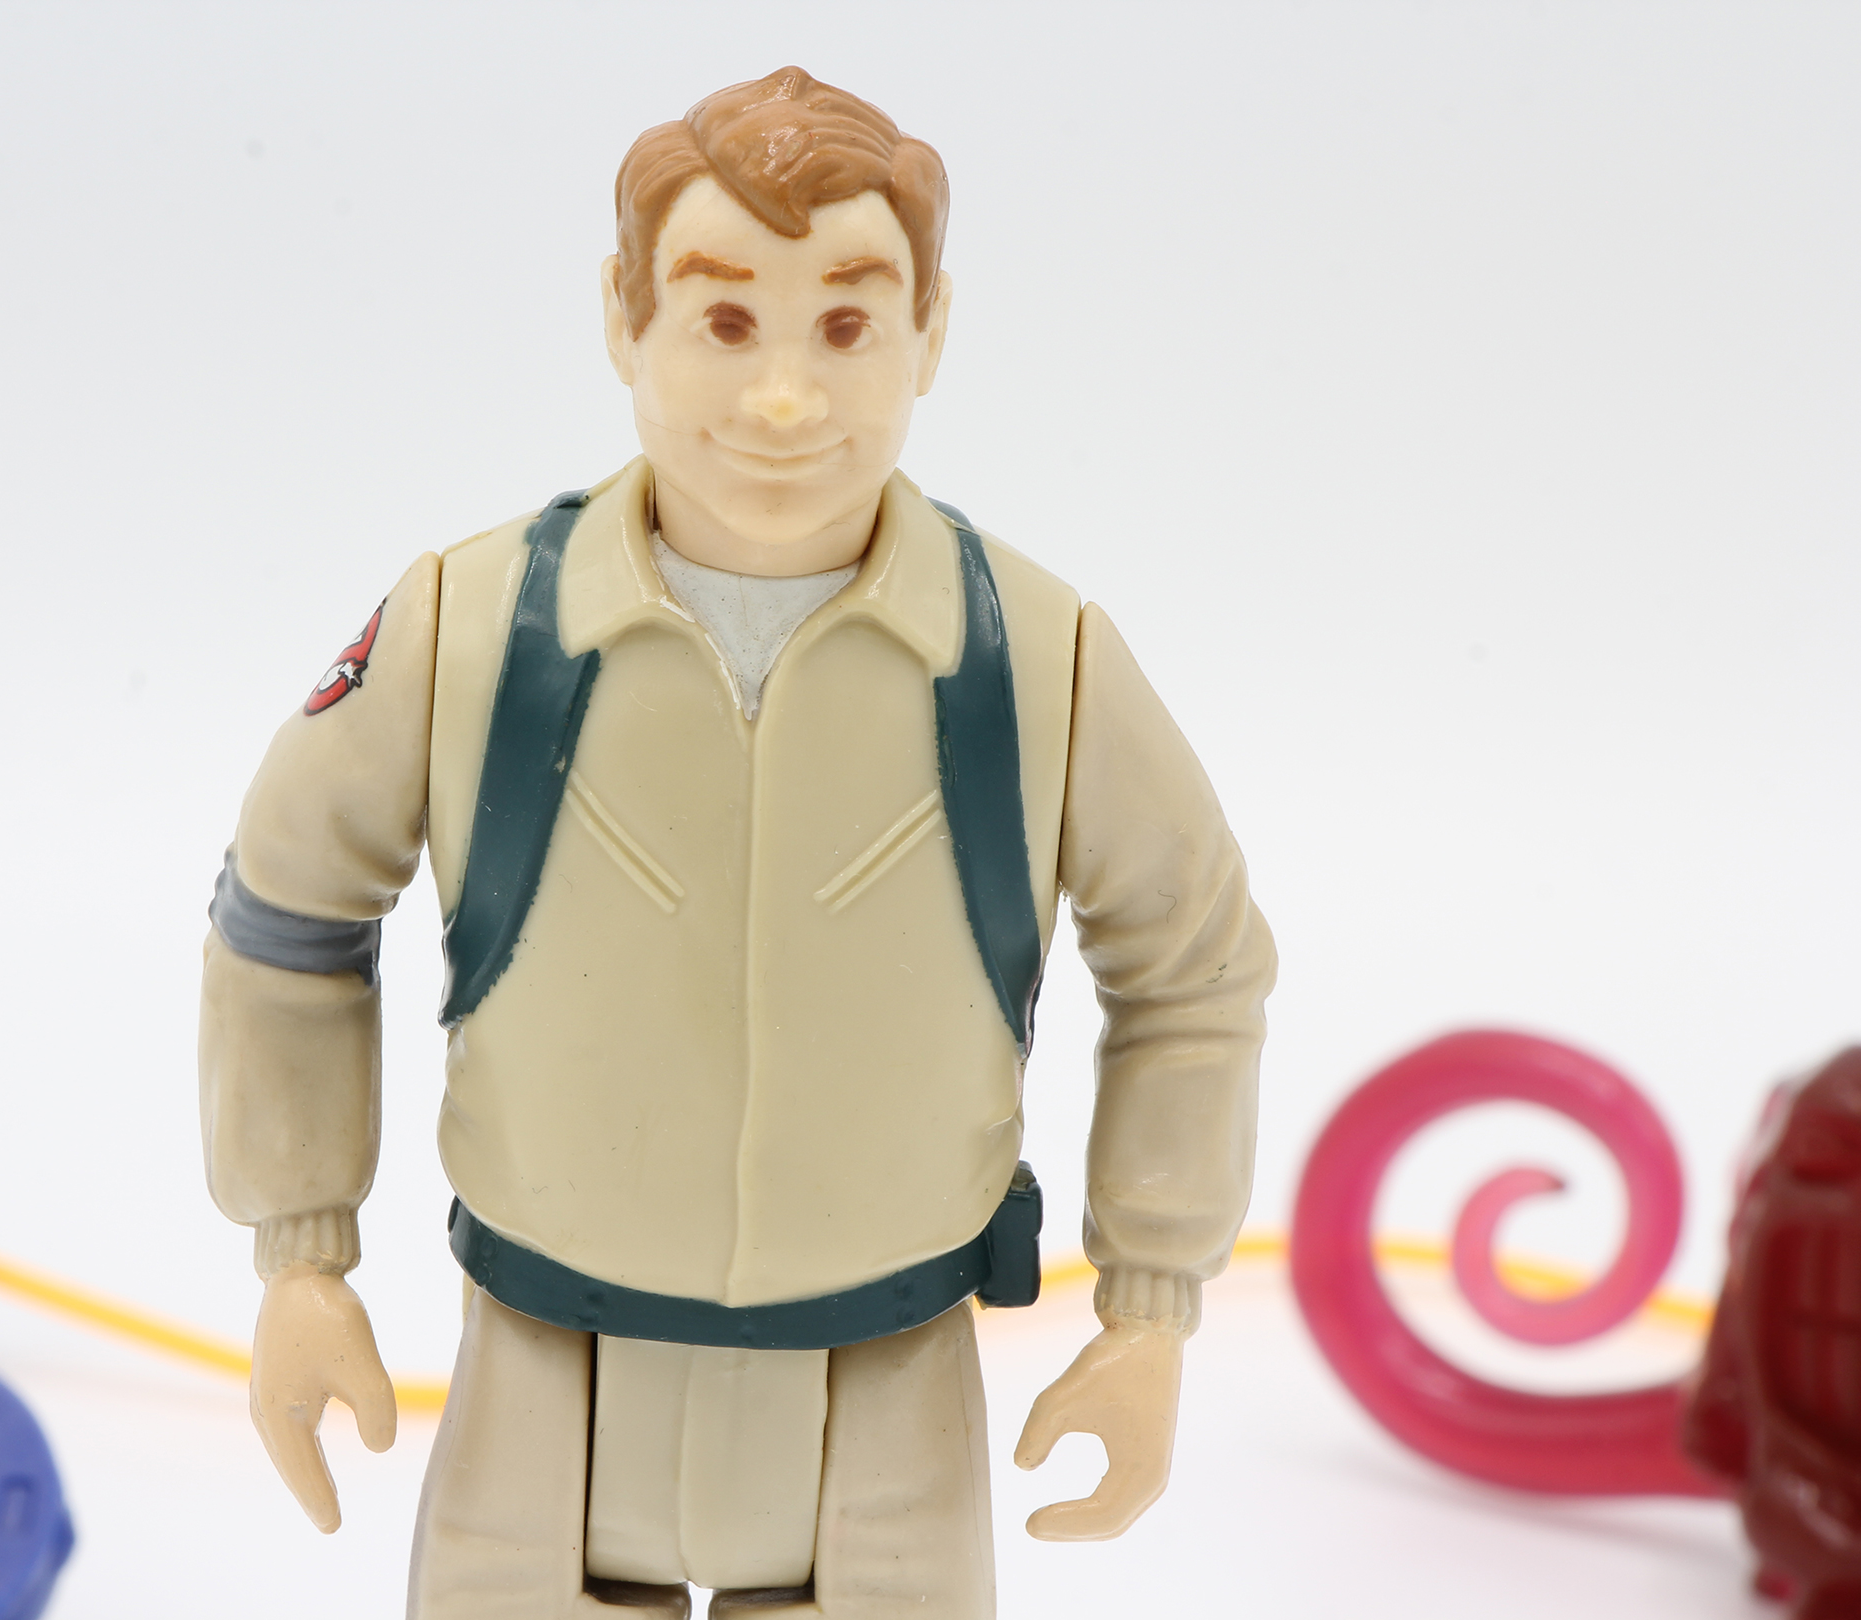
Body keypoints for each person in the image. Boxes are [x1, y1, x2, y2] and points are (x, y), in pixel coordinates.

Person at [199, 65, 1275, 1620]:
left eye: (844, 325)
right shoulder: (470, 628)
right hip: (547, 1370)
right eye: (722, 320)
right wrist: (302, 1256)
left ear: (931, 335)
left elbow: (1194, 970)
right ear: (623, 319)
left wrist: (1150, 1307)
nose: (782, 399)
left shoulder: (1038, 659)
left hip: (887, 1377)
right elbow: (285, 916)